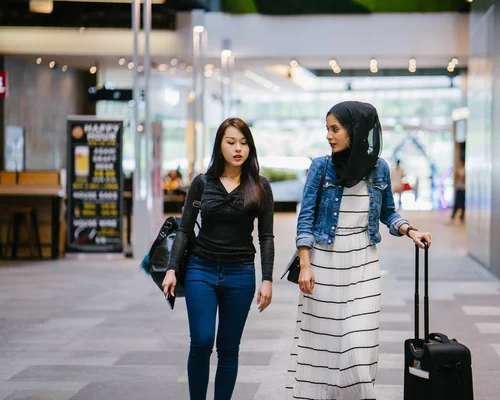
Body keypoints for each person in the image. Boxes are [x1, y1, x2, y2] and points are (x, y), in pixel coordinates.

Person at [288, 101, 431, 399]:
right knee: (324, 349)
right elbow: (306, 218)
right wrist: (305, 263)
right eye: (327, 129)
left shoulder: (379, 168)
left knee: (357, 346)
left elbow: (388, 213)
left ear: (356, 131)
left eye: (335, 129)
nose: (329, 135)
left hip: (364, 263)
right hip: (324, 263)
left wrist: (409, 230)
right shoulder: (320, 166)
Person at [162, 117, 275, 400]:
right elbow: (185, 230)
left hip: (241, 274)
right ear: (220, 145)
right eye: (231, 142)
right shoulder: (202, 183)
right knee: (200, 342)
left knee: (228, 348)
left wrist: (267, 279)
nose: (238, 148)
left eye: (244, 143)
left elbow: (266, 237)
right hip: (201, 269)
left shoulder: (260, 186)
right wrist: (172, 269)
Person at [449, 159, 466, 223]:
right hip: (459, 189)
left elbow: (465, 179)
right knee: (456, 203)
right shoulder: (458, 170)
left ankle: (461, 217)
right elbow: (456, 179)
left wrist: (461, 176)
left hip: (463, 189)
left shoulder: (465, 170)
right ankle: (453, 217)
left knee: (462, 204)